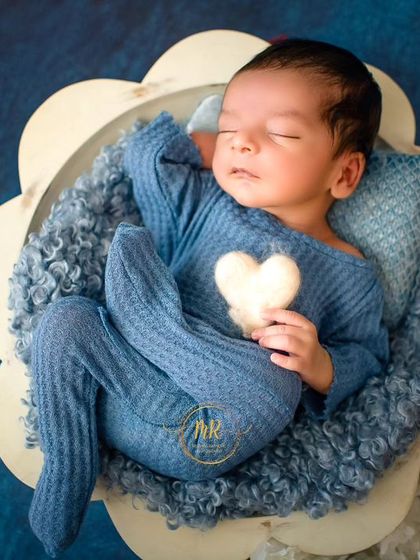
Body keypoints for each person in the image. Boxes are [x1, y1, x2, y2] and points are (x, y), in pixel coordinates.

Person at [28, 38, 390, 557]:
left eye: (280, 132)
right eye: (229, 128)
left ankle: (152, 321)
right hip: (118, 387)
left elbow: (371, 357)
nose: (241, 143)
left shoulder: (352, 274)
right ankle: (69, 459)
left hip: (205, 429)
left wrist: (321, 363)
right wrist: (208, 148)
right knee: (65, 320)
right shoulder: (204, 204)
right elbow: (146, 156)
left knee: (276, 377)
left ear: (345, 173)